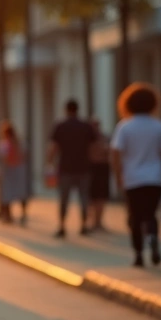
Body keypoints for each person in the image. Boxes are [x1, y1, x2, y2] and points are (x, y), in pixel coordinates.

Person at [110, 84, 161, 268]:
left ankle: (138, 254)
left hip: (133, 178)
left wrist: (118, 175)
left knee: (135, 217)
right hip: (154, 178)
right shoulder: (159, 125)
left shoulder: (125, 127)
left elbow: (116, 153)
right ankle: (152, 237)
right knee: (151, 214)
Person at [47, 99, 96, 238]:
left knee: (64, 198)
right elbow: (93, 147)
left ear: (66, 110)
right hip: (84, 167)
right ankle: (84, 226)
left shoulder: (60, 126)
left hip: (65, 168)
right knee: (84, 198)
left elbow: (53, 147)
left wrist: (49, 163)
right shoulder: (86, 126)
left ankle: (62, 226)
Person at [0, 121, 29, 225]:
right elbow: (25, 155)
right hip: (20, 169)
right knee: (20, 192)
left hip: (9, 170)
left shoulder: (4, 143)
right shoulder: (20, 142)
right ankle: (23, 214)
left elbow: (3, 157)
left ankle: (8, 216)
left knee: (7, 192)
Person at [88, 119, 113, 231]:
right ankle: (93, 221)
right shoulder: (87, 139)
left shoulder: (105, 137)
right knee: (92, 197)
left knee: (101, 196)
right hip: (91, 169)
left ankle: (98, 221)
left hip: (103, 169)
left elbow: (109, 151)